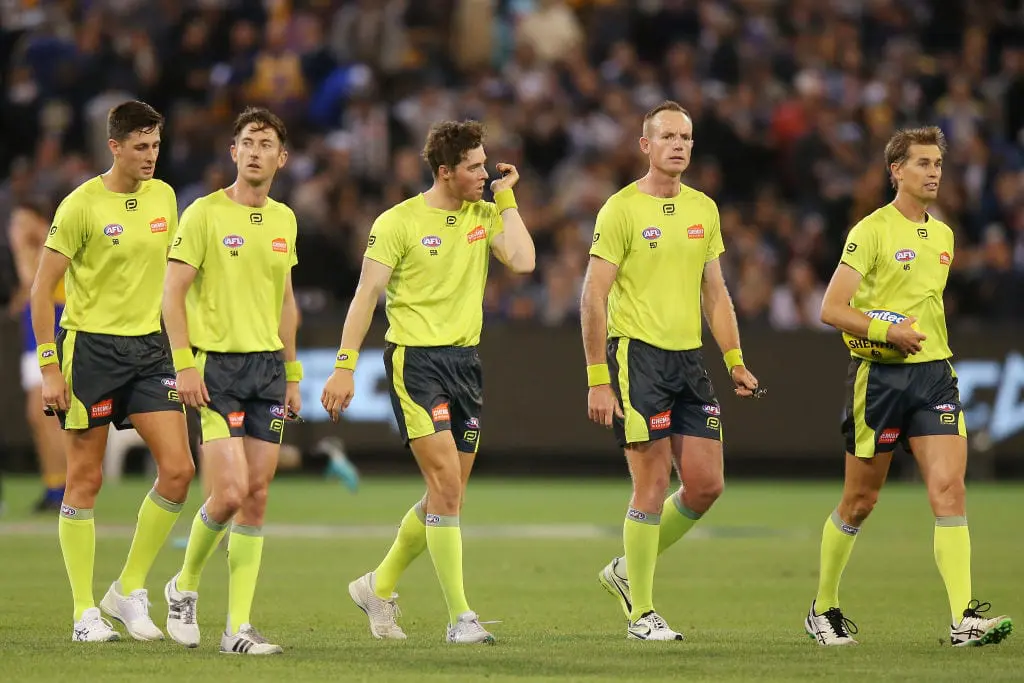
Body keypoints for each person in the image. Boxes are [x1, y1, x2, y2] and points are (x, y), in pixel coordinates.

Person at [320, 120, 535, 644]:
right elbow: (366, 295)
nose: (486, 174)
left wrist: (507, 200)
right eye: (475, 167)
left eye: (486, 164)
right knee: (445, 488)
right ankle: (461, 617)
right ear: (444, 171)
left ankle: (378, 585)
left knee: (448, 495)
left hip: (465, 364)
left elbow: (524, 261)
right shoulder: (398, 221)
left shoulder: (485, 213)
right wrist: (345, 365)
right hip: (415, 362)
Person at [806, 126, 1013, 647]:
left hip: (934, 374)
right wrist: (887, 331)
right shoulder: (870, 231)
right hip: (878, 378)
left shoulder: (942, 235)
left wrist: (913, 335)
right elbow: (832, 308)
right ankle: (823, 608)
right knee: (860, 500)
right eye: (922, 163)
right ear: (896, 170)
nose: (934, 172)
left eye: (938, 163)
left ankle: (964, 617)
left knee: (950, 490)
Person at [580, 101, 760, 641]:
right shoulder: (620, 210)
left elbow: (715, 290)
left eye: (685, 137)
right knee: (653, 483)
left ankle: (625, 569)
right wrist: (597, 376)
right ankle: (642, 615)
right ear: (646, 145)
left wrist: (734, 359)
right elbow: (593, 296)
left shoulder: (704, 208)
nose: (678, 145)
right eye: (667, 136)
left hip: (689, 360)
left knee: (706, 485)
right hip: (638, 358)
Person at [31, 100, 194, 642]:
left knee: (178, 470)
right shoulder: (80, 206)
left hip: (150, 351)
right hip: (91, 352)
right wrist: (50, 370)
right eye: (141, 147)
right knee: (86, 478)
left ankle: (126, 590)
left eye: (156, 146)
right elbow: (39, 291)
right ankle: (83, 612)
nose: (151, 156)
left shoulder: (165, 197)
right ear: (115, 147)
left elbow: (172, 279)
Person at [161, 106, 300, 655]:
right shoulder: (203, 214)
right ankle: (185, 583)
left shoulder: (286, 219)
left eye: (267, 143)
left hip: (267, 368)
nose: (257, 151)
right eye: (248, 142)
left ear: (281, 158)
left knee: (258, 497)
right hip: (216, 365)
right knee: (229, 492)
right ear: (234, 152)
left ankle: (237, 628)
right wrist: (183, 363)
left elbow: (285, 300)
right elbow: (172, 293)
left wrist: (292, 374)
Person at [8, 198, 66, 512]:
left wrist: (20, 247)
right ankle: (54, 485)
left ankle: (66, 487)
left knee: (46, 413)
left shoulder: (54, 241)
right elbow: (27, 291)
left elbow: (33, 279)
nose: (15, 230)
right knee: (38, 417)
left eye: (21, 223)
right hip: (32, 336)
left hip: (52, 330)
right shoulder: (35, 248)